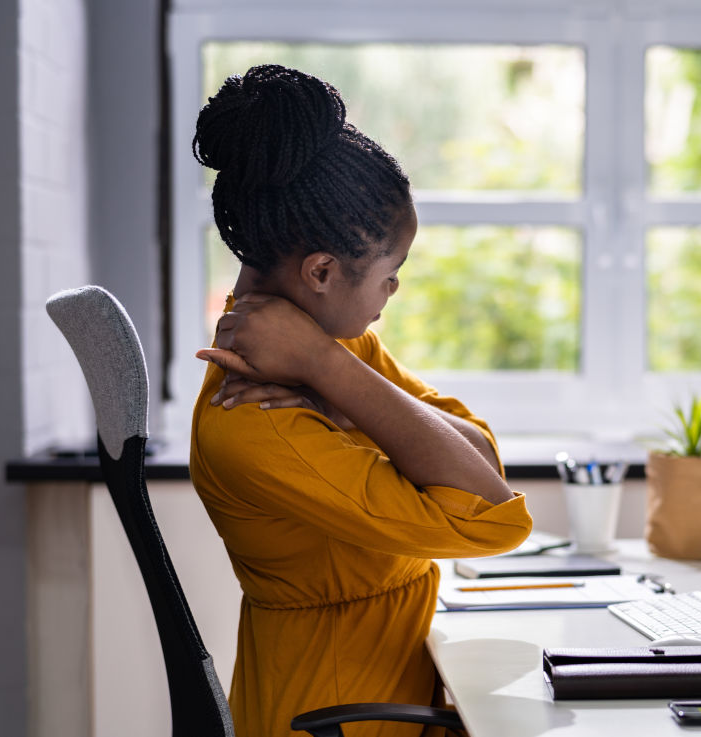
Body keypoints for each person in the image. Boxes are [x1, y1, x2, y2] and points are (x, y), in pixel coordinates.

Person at [188, 64, 532, 737]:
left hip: (394, 691)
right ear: (321, 271)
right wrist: (326, 369)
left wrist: (336, 381)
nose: (391, 293)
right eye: (389, 274)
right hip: (341, 713)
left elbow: (479, 454)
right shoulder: (256, 423)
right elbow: (494, 517)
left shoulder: (325, 340)